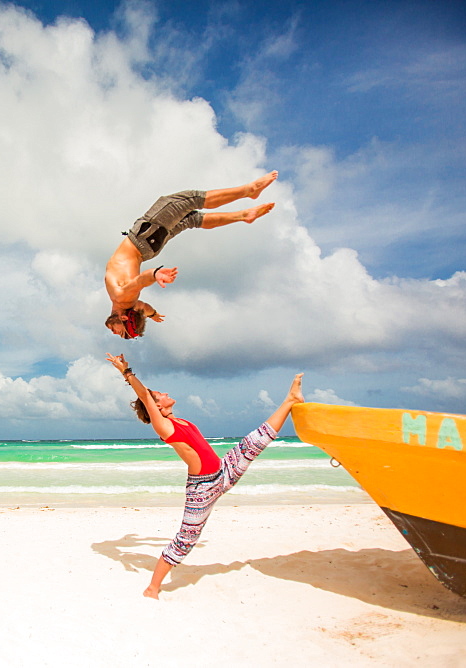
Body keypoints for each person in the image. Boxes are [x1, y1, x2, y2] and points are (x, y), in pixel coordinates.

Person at [105, 352, 304, 599]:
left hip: (222, 472)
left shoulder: (181, 421)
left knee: (253, 443)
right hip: (202, 489)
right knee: (186, 538)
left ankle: (290, 400)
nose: (165, 393)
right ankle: (152, 588)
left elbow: (149, 396)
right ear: (156, 406)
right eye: (160, 395)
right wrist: (125, 371)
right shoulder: (164, 427)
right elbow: (145, 395)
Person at [104, 172, 278, 338]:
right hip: (143, 239)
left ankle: (243, 215)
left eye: (118, 333)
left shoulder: (134, 306)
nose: (113, 332)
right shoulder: (122, 297)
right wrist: (155, 274)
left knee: (191, 220)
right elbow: (140, 281)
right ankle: (249, 190)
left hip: (149, 249)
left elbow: (146, 309)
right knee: (188, 200)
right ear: (125, 318)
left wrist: (154, 314)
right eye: (118, 331)